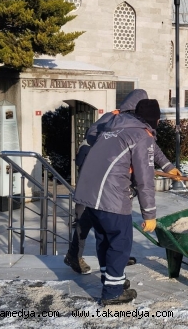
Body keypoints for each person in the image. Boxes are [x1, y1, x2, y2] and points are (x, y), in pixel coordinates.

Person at [64, 89, 182, 275]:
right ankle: (74, 254)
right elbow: (93, 136)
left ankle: (116, 259)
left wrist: (167, 166)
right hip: (95, 173)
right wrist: (116, 153)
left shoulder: (136, 126)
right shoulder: (113, 118)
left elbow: (149, 145)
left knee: (112, 219)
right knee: (87, 216)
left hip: (116, 177)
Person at [73, 98, 161, 305]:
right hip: (111, 197)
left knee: (105, 240)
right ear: (154, 120)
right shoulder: (142, 136)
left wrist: (167, 166)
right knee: (120, 244)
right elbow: (145, 180)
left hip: (88, 195)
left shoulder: (113, 129)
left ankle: (112, 280)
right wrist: (150, 214)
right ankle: (112, 292)